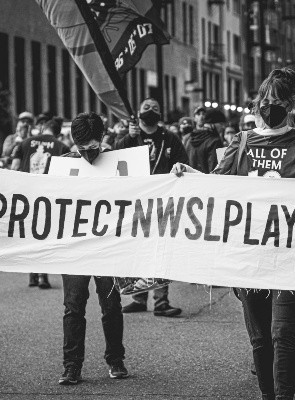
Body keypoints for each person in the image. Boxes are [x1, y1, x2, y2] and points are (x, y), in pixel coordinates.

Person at [172, 68, 295, 400]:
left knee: (284, 336)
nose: (270, 107)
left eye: (278, 102)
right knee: (260, 339)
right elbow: (216, 183)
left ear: (291, 105)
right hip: (250, 257)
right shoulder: (241, 142)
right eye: (265, 101)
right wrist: (189, 174)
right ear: (257, 103)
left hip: (291, 256)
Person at [57, 112, 128, 385]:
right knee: (73, 306)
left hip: (107, 245)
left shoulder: (119, 163)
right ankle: (71, 366)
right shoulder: (63, 165)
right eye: (82, 148)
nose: (88, 154)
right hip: (75, 246)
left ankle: (116, 359)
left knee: (111, 305)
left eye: (93, 147)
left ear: (103, 138)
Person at [116, 98, 188, 317]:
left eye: (155, 108)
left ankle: (161, 301)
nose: (151, 110)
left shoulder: (170, 138)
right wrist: (129, 137)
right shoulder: (129, 138)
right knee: (139, 250)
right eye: (146, 107)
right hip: (136, 202)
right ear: (138, 113)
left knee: (161, 250)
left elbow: (183, 163)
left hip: (163, 203)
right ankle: (138, 297)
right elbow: (116, 159)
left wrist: (179, 169)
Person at [11, 117, 69, 289]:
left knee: (30, 235)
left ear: (43, 128)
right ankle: (43, 275)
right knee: (44, 235)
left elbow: (14, 167)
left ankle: (32, 274)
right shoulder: (62, 147)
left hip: (27, 195)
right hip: (49, 197)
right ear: (58, 133)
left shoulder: (25, 143)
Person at [185, 108, 225, 173]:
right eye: (221, 124)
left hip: (191, 177)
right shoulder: (215, 141)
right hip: (208, 178)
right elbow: (216, 170)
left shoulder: (190, 138)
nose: (223, 127)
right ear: (213, 124)